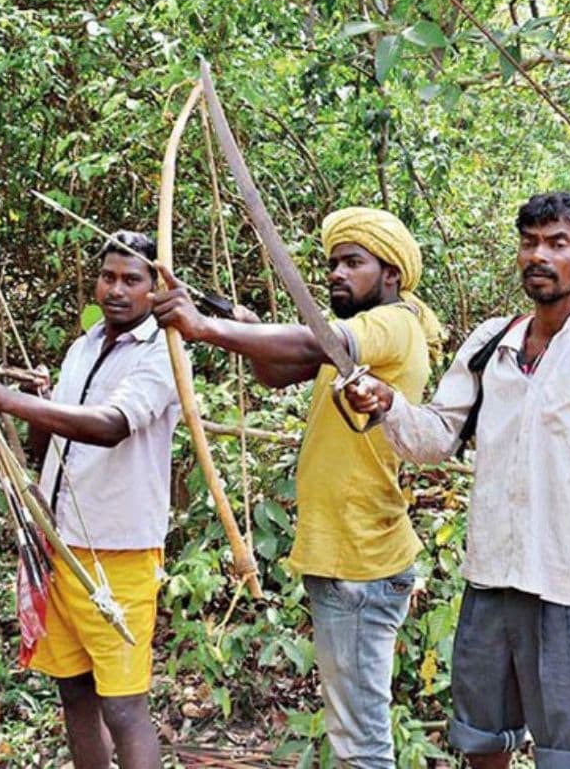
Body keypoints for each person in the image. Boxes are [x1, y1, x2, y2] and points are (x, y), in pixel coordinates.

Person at [344, 192, 570, 768]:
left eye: (558, 244)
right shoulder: (493, 343)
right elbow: (437, 438)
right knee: (482, 741)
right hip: (488, 582)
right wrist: (388, 404)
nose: (539, 256)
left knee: (569, 756)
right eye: (530, 242)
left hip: (567, 591)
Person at [152, 207, 442, 768]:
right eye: (333, 262)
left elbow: (312, 344)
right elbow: (277, 370)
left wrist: (205, 327)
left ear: (391, 275)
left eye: (353, 262)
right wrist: (230, 316)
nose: (336, 273)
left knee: (361, 747)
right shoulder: (358, 341)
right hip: (347, 557)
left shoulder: (391, 322)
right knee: (354, 735)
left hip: (360, 561)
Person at [0, 231, 179, 769]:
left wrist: (6, 396)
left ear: (156, 288)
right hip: (59, 549)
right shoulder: (84, 346)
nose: (117, 290)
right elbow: (48, 445)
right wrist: (34, 400)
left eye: (132, 280)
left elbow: (109, 427)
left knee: (123, 707)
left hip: (118, 556)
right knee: (74, 694)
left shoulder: (163, 353)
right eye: (108, 277)